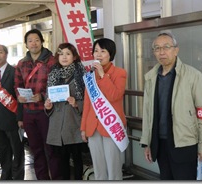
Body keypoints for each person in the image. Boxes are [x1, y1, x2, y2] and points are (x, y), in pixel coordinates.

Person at [140, 31, 202, 180]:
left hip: (184, 144)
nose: (162, 52)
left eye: (166, 47)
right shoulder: (151, 78)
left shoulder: (193, 76)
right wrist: (147, 142)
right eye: (157, 48)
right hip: (160, 143)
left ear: (176, 50)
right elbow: (148, 113)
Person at [14, 29, 61, 180]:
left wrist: (42, 96)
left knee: (51, 149)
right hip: (28, 113)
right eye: (30, 41)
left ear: (42, 42)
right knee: (36, 150)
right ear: (26, 45)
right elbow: (17, 85)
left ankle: (57, 179)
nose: (33, 43)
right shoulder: (21, 63)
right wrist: (19, 97)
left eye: (36, 40)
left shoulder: (52, 61)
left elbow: (57, 86)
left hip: (47, 112)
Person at [81, 38, 127, 180]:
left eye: (103, 51)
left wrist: (102, 75)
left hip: (111, 125)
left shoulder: (119, 73)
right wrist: (83, 127)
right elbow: (87, 104)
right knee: (98, 167)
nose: (98, 54)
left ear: (110, 54)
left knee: (114, 168)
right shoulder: (89, 76)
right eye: (96, 51)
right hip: (93, 127)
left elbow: (115, 95)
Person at [44, 43, 86, 180]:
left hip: (74, 124)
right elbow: (48, 98)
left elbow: (90, 101)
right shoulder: (53, 74)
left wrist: (77, 103)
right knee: (62, 161)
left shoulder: (82, 74)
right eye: (61, 54)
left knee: (77, 159)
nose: (64, 57)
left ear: (74, 57)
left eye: (68, 54)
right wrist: (48, 106)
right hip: (58, 127)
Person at [0, 44, 25, 180]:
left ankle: (18, 176)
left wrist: (20, 117)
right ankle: (6, 174)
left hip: (12, 118)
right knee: (3, 150)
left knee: (17, 150)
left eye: (0, 52)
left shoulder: (14, 72)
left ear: (6, 54)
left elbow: (20, 97)